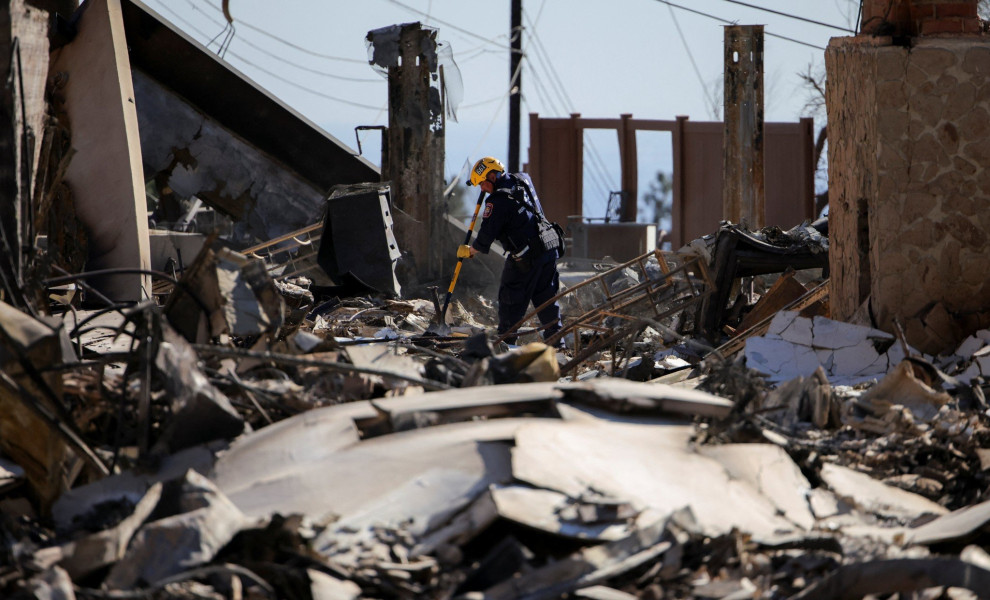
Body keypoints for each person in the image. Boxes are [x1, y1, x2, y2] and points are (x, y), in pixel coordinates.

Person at [459, 156, 564, 347]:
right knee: (546, 298)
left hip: (525, 257)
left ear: (492, 176)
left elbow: (486, 235)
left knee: (510, 298)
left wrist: (470, 250)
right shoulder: (522, 179)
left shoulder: (497, 201)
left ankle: (506, 344)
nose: (482, 189)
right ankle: (557, 343)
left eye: (482, 183)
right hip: (547, 248)